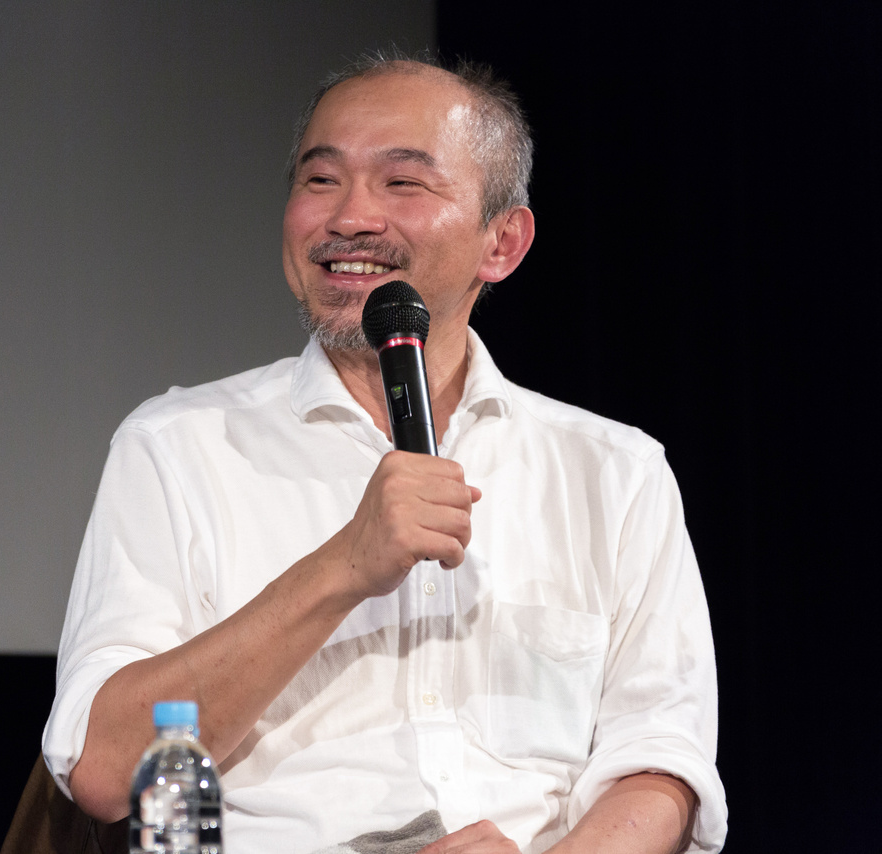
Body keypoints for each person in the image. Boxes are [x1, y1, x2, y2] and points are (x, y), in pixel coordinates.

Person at [42, 52, 726, 854]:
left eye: (403, 182)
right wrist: (344, 566)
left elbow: (660, 765)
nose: (350, 217)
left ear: (502, 242)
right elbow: (105, 768)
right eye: (320, 180)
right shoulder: (179, 446)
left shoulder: (613, 472)